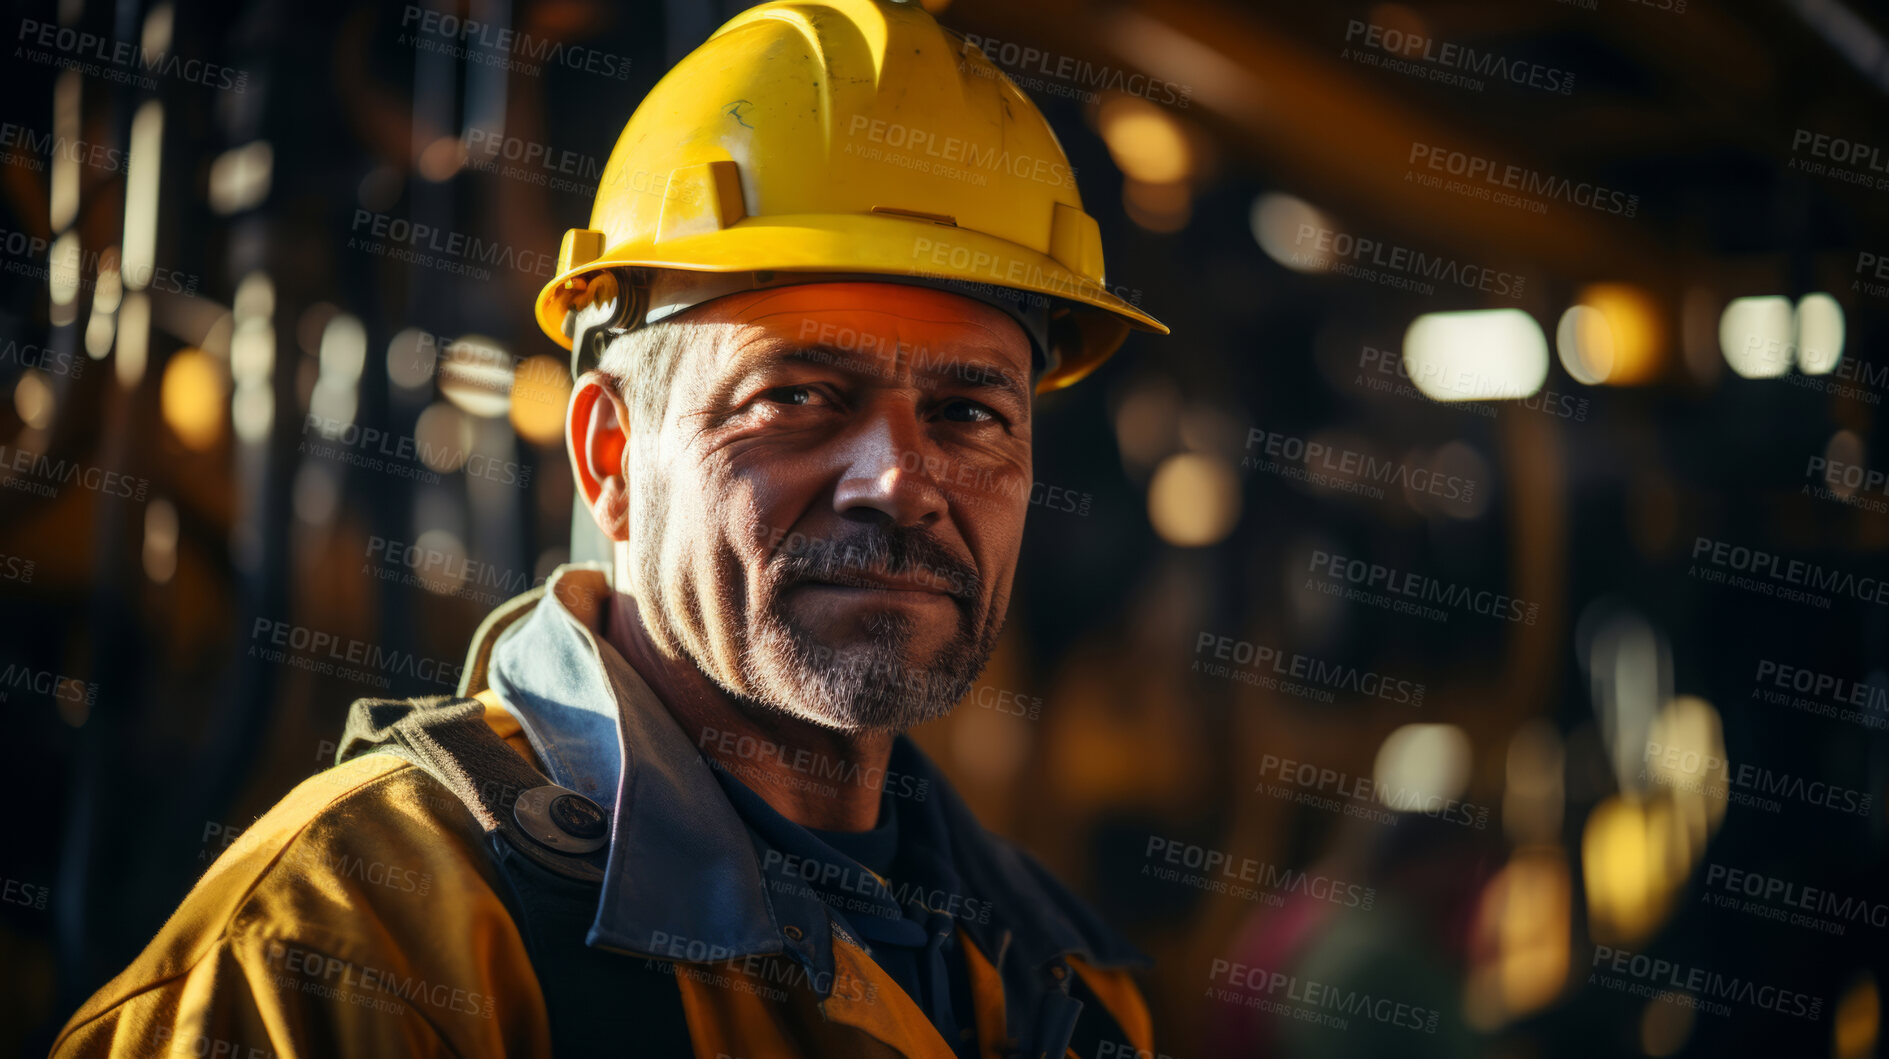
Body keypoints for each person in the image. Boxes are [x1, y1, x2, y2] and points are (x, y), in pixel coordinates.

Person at [50, 0, 1166, 1054]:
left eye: (967, 413)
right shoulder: (340, 950)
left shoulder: (1065, 983)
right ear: (610, 454)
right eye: (797, 396)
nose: (898, 481)